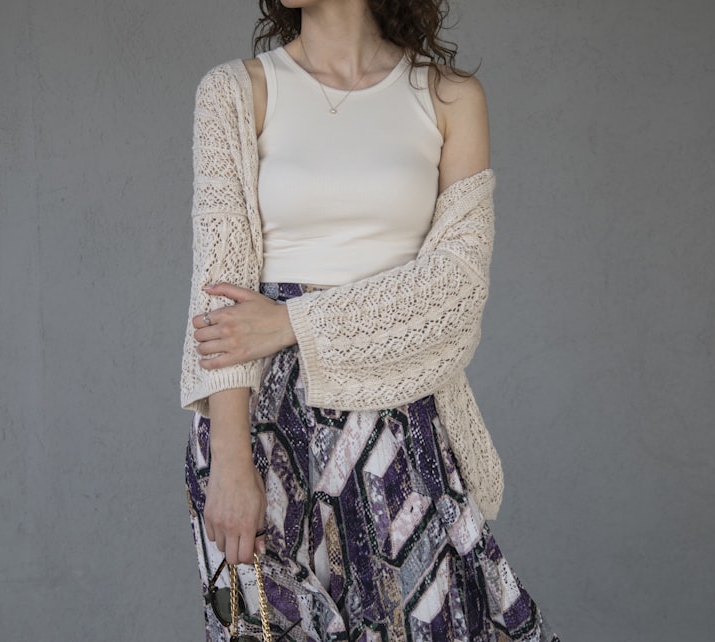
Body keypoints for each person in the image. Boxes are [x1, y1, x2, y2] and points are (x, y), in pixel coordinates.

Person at [181, 1, 560, 640]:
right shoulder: (236, 91)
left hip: (401, 431)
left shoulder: (449, 98)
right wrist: (229, 460)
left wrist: (293, 323)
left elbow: (456, 294)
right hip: (263, 432)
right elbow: (220, 298)